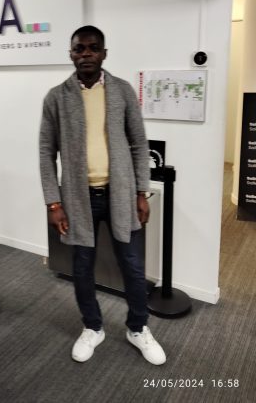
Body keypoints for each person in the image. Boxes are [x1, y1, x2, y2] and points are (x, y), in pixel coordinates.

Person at [39, 26, 166, 365]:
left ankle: (137, 327)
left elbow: (140, 145)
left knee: (133, 267)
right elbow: (45, 150)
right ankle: (92, 327)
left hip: (121, 195)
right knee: (82, 267)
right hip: (79, 199)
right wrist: (54, 202)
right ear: (70, 54)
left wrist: (142, 192)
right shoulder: (56, 97)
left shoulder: (123, 91)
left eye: (93, 48)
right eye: (79, 49)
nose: (86, 54)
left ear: (104, 53)